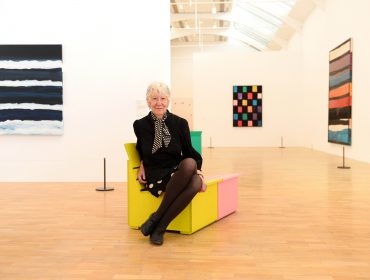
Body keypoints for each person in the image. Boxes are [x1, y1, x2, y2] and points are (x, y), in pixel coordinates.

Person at [133, 81, 205, 245]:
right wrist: (142, 165)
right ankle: (159, 227)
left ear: (169, 100)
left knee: (191, 170)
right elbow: (141, 149)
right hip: (156, 173)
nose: (159, 103)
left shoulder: (180, 123)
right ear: (148, 101)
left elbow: (189, 152)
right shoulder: (140, 125)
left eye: (163, 98)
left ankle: (157, 221)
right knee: (192, 179)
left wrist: (199, 170)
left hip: (175, 170)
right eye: (154, 98)